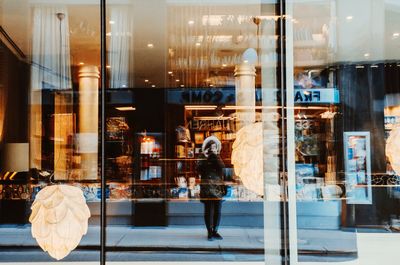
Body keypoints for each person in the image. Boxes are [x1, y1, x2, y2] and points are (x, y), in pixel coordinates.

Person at [197, 136, 226, 241]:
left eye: (215, 147)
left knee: (217, 211)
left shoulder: (218, 157)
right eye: (211, 147)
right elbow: (199, 170)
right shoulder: (202, 157)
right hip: (207, 189)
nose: (213, 149)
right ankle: (209, 232)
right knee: (208, 211)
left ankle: (215, 231)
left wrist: (215, 157)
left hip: (217, 189)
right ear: (208, 148)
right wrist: (207, 157)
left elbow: (222, 168)